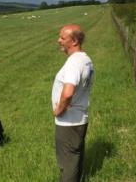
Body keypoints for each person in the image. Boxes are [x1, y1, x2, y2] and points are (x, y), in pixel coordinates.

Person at [52, 24, 94, 182]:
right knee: (74, 159)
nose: (59, 41)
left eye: (63, 38)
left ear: (74, 41)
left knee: (67, 162)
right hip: (79, 117)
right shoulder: (85, 59)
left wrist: (59, 110)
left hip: (69, 121)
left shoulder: (74, 63)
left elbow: (68, 91)